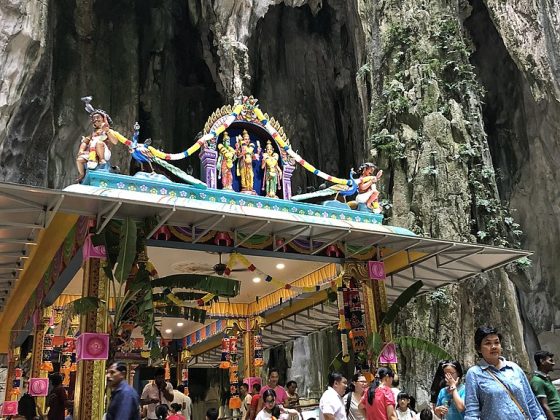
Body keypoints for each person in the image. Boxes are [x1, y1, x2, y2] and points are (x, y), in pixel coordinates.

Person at [464, 326, 545, 419]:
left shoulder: (514, 368)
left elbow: (530, 401)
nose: (493, 346)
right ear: (478, 349)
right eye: (488, 343)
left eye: (496, 342)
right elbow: (472, 411)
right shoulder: (474, 373)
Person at [530, 350, 560, 420]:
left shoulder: (546, 378)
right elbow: (544, 406)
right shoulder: (537, 381)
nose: (553, 363)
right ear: (542, 361)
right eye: (550, 361)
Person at [235, 129, 261, 193]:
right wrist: (241, 152)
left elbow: (253, 158)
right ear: (243, 140)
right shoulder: (241, 147)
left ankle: (250, 188)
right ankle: (244, 187)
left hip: (249, 164)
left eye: (248, 139)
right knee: (244, 174)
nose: (247, 140)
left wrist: (258, 153)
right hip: (243, 163)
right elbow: (237, 155)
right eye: (245, 139)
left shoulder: (250, 149)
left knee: (251, 175)